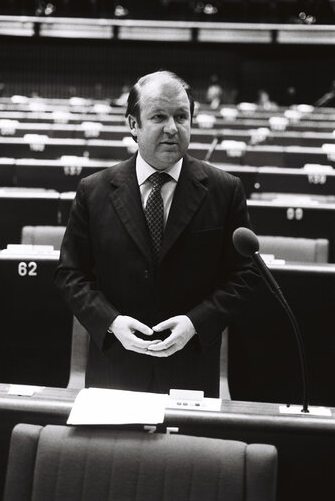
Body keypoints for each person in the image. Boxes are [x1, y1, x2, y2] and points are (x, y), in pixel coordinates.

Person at [54, 70, 259, 397]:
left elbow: (244, 275)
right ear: (133, 125)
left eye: (181, 116)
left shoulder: (225, 190)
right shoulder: (93, 191)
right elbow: (70, 274)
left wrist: (195, 323)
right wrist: (111, 322)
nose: (172, 128)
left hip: (190, 367)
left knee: (186, 449)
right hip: (115, 367)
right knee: (114, 451)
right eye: (158, 117)